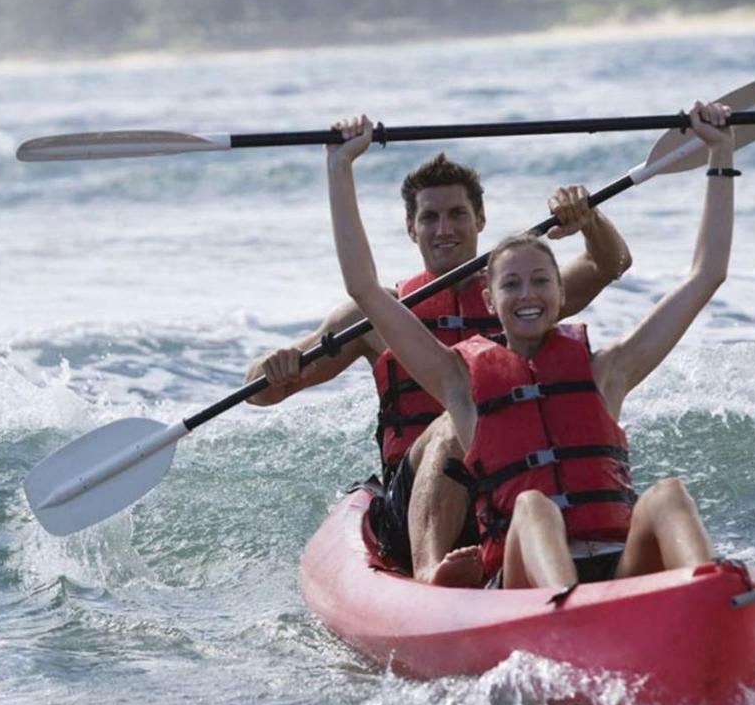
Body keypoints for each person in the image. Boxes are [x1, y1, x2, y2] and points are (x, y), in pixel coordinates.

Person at [326, 102, 734, 589]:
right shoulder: (462, 387)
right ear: (489, 300)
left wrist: (720, 152)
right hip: (526, 581)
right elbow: (364, 288)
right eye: (511, 285)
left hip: (616, 564)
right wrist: (340, 167)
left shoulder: (607, 372)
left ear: (562, 295)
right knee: (533, 507)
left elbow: (706, 274)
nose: (527, 296)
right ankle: (562, 609)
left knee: (667, 495)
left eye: (541, 282)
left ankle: (713, 593)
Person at [245, 155, 631, 585]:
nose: (444, 229)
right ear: (412, 229)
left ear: (480, 219)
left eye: (457, 215)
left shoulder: (519, 298)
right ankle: (431, 573)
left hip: (510, 483)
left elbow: (609, 265)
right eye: (429, 217)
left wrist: (589, 219)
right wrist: (272, 366)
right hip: (411, 502)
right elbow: (262, 392)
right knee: (453, 423)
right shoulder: (378, 315)